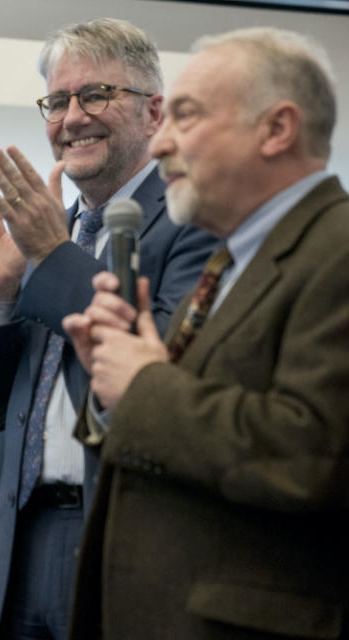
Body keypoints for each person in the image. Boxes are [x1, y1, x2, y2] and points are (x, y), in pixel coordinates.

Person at [62, 27, 349, 640]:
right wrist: (116, 395)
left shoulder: (337, 252)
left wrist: (144, 387)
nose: (160, 142)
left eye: (185, 116)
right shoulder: (231, 261)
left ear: (276, 129)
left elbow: (314, 454)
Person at [0, 18, 217, 640]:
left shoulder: (197, 218)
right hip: (22, 537)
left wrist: (53, 255)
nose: (72, 117)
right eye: (57, 101)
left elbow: (168, 369)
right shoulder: (45, 231)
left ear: (154, 112)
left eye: (95, 94)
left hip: (128, 535)